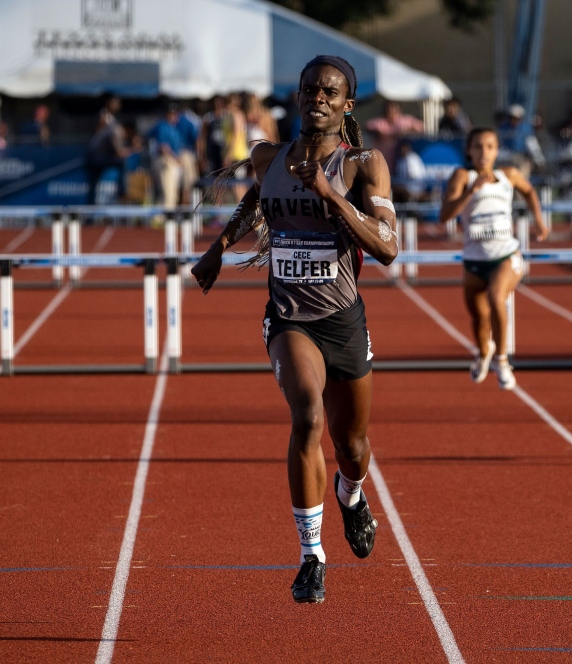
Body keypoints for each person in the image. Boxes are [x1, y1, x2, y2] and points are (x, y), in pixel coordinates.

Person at [191, 55, 397, 605]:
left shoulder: (362, 165)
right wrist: (217, 250)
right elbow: (257, 199)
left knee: (351, 444)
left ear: (347, 104)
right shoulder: (269, 157)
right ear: (299, 97)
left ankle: (351, 497)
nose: (318, 99)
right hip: (289, 317)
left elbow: (388, 248)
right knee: (307, 415)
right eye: (310, 90)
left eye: (330, 92)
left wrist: (331, 198)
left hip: (343, 319)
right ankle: (311, 556)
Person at [439, 127, 548, 390]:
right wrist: (470, 192)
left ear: (497, 150)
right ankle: (483, 353)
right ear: (469, 150)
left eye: (489, 146)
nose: (484, 152)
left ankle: (502, 359)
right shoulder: (462, 176)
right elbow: (444, 215)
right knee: (478, 318)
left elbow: (530, 192)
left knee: (496, 298)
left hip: (506, 255)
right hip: (475, 260)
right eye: (478, 146)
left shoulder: (507, 175)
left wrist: (540, 222)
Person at [84, 102, 130, 205]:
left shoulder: (106, 130)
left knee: (93, 185)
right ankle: (122, 192)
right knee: (121, 162)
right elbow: (119, 152)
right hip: (96, 158)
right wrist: (126, 151)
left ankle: (91, 206)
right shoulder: (112, 130)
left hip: (92, 158)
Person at [365, 100, 424, 171]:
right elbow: (368, 128)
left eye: (393, 108)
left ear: (398, 109)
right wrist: (380, 134)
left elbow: (422, 127)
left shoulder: (405, 121)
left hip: (401, 159)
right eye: (388, 108)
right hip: (384, 159)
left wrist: (408, 132)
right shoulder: (379, 122)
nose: (391, 111)